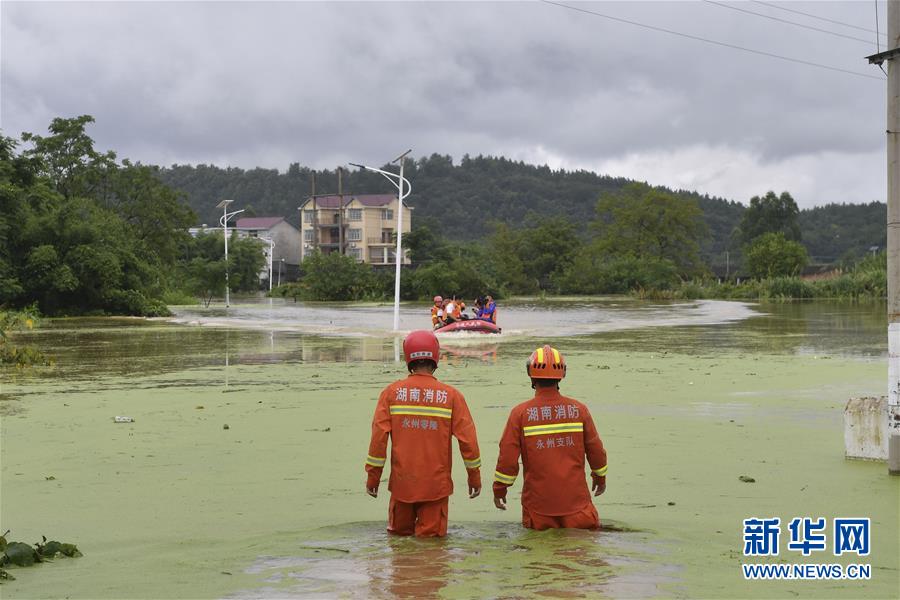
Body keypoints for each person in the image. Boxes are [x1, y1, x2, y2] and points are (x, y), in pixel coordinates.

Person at [365, 330, 482, 537]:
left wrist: (373, 478)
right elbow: (468, 442)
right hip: (435, 489)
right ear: (435, 357)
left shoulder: (391, 394)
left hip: (402, 486)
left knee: (400, 548)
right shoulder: (452, 396)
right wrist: (474, 477)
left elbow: (378, 441)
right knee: (431, 551)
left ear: (408, 357)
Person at [492, 345, 607, 530]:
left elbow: (507, 457)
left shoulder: (520, 414)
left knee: (540, 557)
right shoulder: (579, 410)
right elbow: (596, 450)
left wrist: (500, 488)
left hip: (538, 511)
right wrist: (600, 477)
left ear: (530, 373)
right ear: (563, 374)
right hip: (578, 508)